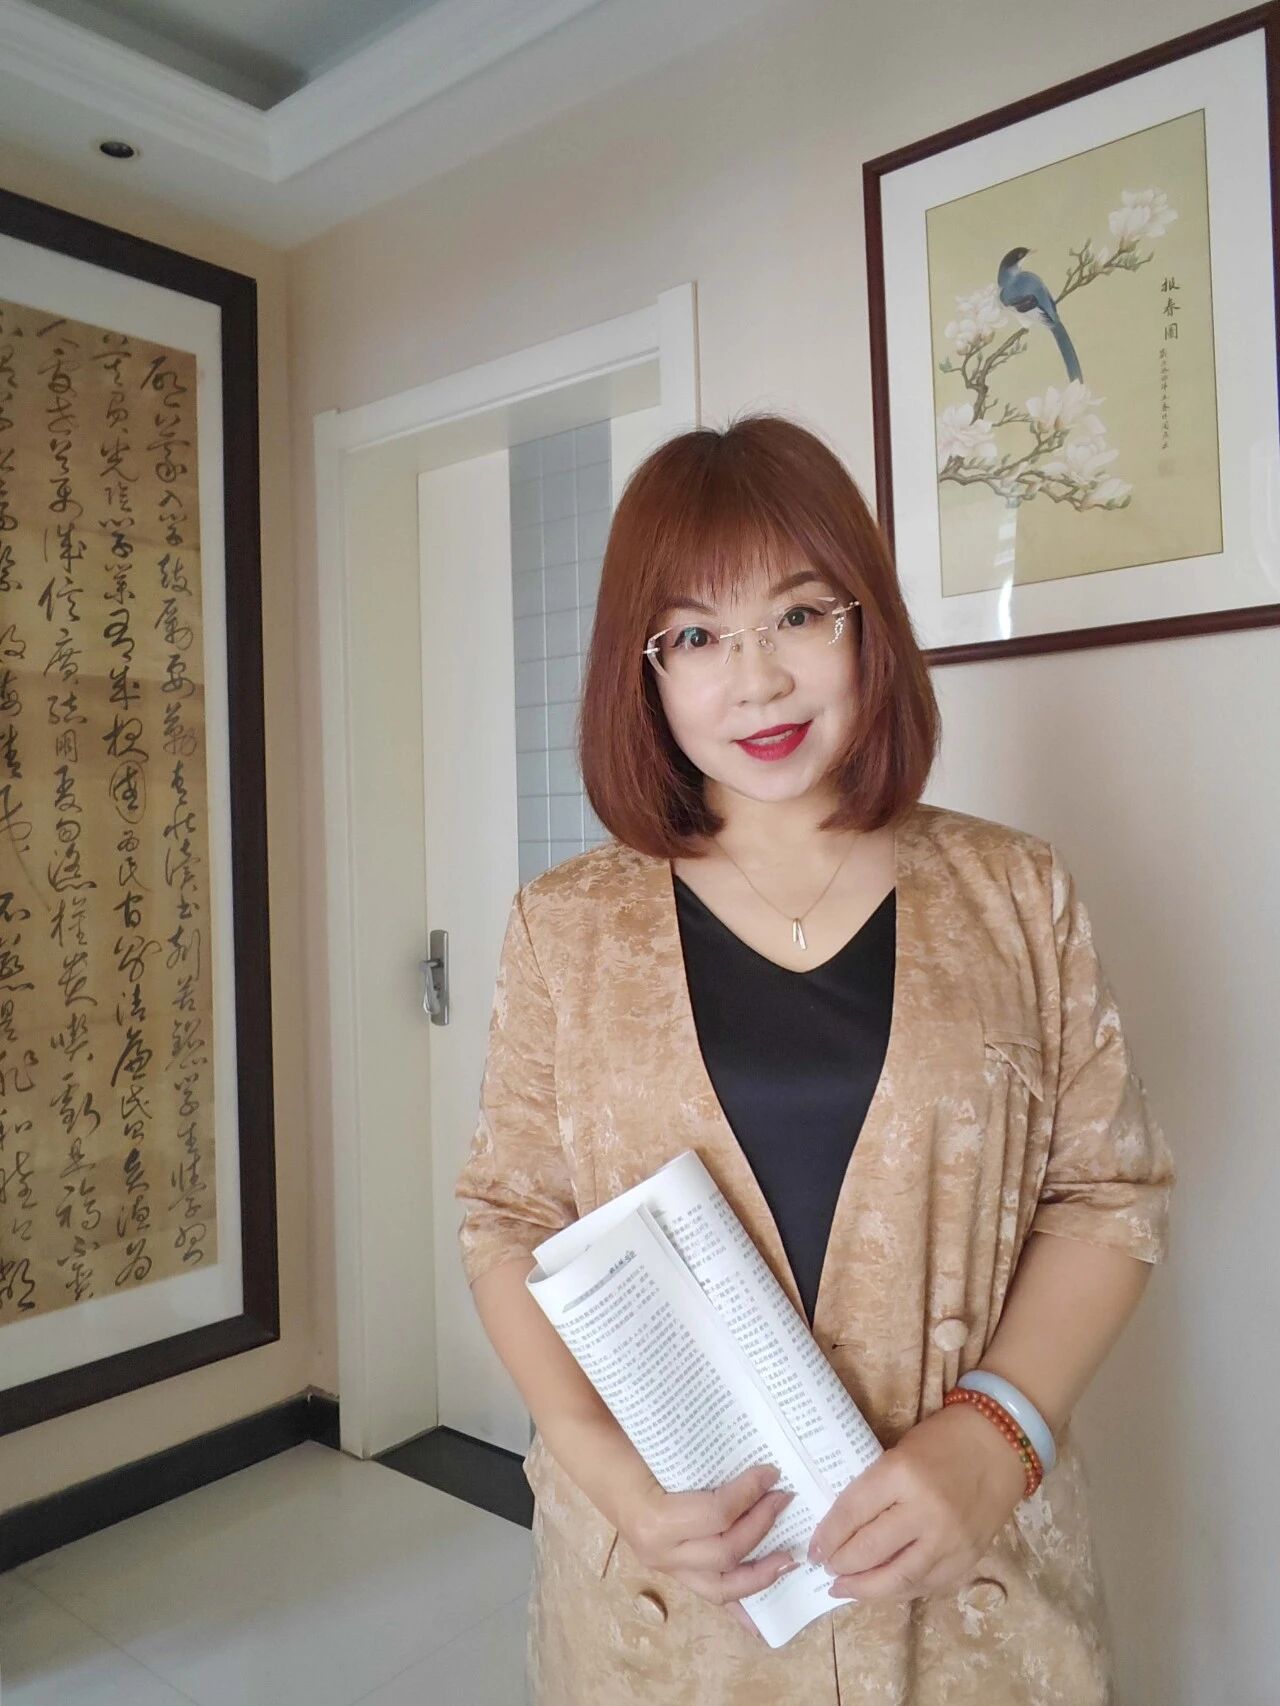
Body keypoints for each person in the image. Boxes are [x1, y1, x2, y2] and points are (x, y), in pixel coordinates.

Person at [454, 413, 1176, 1704]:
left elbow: (1105, 1193)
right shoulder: (564, 927)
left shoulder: (1015, 891)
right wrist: (606, 1467)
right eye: (695, 636)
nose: (757, 682)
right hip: (668, 1607)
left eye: (797, 615)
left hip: (966, 1596)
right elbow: (509, 1218)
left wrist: (997, 1435)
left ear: (866, 626)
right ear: (643, 672)